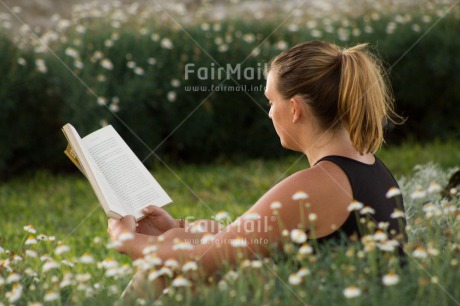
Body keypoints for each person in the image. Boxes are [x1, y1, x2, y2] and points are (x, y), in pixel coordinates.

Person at [108, 40, 407, 298]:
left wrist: (127, 241)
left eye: (270, 101)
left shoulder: (315, 184)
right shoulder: (368, 166)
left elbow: (202, 264)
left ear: (294, 109)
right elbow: (251, 237)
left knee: (175, 259)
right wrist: (179, 228)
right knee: (186, 237)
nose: (269, 112)